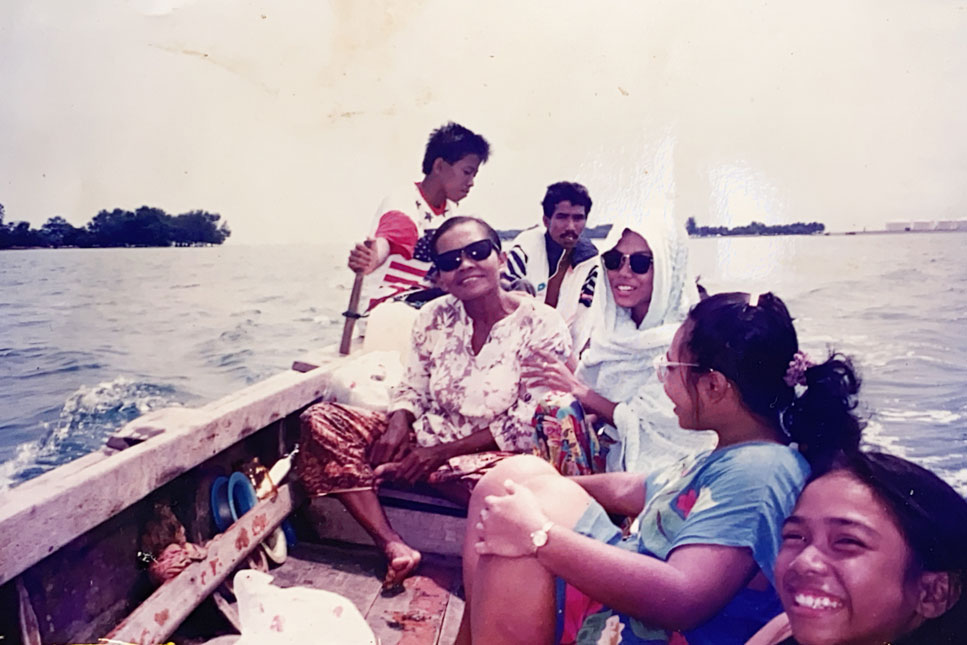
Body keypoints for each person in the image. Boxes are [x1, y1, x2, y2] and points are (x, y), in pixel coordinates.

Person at [459, 291, 865, 644]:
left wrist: (538, 535)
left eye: (670, 368)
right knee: (515, 480)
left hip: (651, 628)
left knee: (516, 519)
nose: (663, 380)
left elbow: (683, 599)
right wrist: (551, 477)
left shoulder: (762, 471)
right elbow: (633, 489)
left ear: (714, 386)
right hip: (637, 601)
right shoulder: (734, 452)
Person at [297, 217, 595, 587]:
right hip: (425, 441)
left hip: (496, 458)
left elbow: (523, 421)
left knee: (512, 491)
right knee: (321, 421)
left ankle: (419, 474)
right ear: (439, 276)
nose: (465, 265)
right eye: (451, 261)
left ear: (500, 259)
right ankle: (393, 545)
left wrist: (438, 455)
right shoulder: (431, 317)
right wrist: (397, 425)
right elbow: (413, 388)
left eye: (477, 252)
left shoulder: (541, 324)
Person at [523, 215, 714, 474]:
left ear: (668, 268)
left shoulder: (689, 339)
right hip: (613, 453)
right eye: (613, 261)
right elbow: (597, 402)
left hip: (673, 467)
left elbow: (654, 426)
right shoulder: (612, 332)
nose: (623, 273)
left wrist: (576, 390)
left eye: (640, 263)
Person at [746, 451, 967, 645]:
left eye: (847, 542)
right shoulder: (782, 629)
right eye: (795, 536)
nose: (803, 561)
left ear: (932, 593)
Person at [348, 122, 491, 311]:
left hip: (427, 305)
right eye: (467, 172)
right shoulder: (403, 202)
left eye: (474, 175)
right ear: (439, 166)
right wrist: (372, 258)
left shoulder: (453, 215)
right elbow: (389, 240)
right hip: (388, 308)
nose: (471, 183)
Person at [502, 182, 598, 343]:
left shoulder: (591, 262)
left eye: (578, 218)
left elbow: (584, 319)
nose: (570, 226)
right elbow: (506, 302)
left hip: (564, 348)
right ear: (546, 221)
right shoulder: (525, 248)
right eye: (562, 217)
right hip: (517, 342)